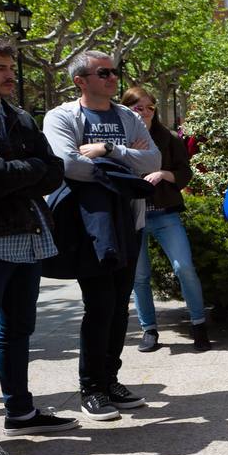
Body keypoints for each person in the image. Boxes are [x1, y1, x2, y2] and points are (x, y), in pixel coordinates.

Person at [44, 51, 162, 420]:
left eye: (115, 72)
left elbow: (154, 161)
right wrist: (126, 165)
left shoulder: (127, 116)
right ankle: (91, 388)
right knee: (100, 304)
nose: (113, 78)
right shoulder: (62, 116)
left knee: (119, 305)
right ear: (81, 81)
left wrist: (108, 150)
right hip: (89, 225)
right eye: (104, 72)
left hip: (130, 222)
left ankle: (110, 379)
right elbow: (67, 164)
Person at [0, 35, 73, 455]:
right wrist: (27, 170)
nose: (9, 74)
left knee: (19, 330)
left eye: (8, 66)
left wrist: (18, 169)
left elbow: (53, 169)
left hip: (28, 237)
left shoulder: (16, 116)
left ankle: (20, 411)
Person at [121, 87, 210, 352]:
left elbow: (184, 173)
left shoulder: (168, 137)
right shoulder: (119, 138)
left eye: (150, 108)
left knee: (184, 267)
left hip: (165, 213)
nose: (145, 113)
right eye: (139, 108)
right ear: (127, 109)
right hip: (133, 215)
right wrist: (128, 153)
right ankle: (149, 329)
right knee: (139, 276)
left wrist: (162, 174)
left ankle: (199, 324)